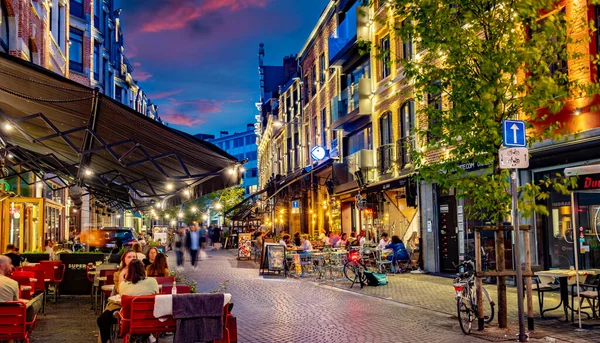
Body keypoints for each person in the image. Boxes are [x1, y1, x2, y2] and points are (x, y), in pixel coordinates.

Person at [97, 259, 158, 343]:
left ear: (129, 271)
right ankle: (147, 335)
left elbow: (121, 296)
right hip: (148, 318)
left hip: (128, 320)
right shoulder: (153, 282)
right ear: (143, 269)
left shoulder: (123, 285)